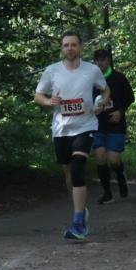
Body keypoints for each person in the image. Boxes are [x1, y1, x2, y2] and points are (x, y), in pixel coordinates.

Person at [34, 32, 110, 240]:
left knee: (77, 167)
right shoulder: (52, 71)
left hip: (86, 125)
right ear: (62, 48)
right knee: (68, 173)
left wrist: (101, 103)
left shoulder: (92, 70)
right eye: (66, 45)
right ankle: (80, 208)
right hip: (61, 128)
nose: (70, 48)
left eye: (73, 45)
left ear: (80, 47)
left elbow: (105, 90)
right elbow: (38, 95)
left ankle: (78, 223)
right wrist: (48, 101)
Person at [92, 48, 135, 205]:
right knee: (101, 157)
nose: (101, 63)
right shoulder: (90, 80)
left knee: (114, 159)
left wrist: (120, 111)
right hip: (97, 125)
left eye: (103, 60)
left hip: (116, 125)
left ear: (108, 61)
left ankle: (120, 175)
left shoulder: (118, 78)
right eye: (98, 60)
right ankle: (107, 193)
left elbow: (130, 98)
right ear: (94, 62)